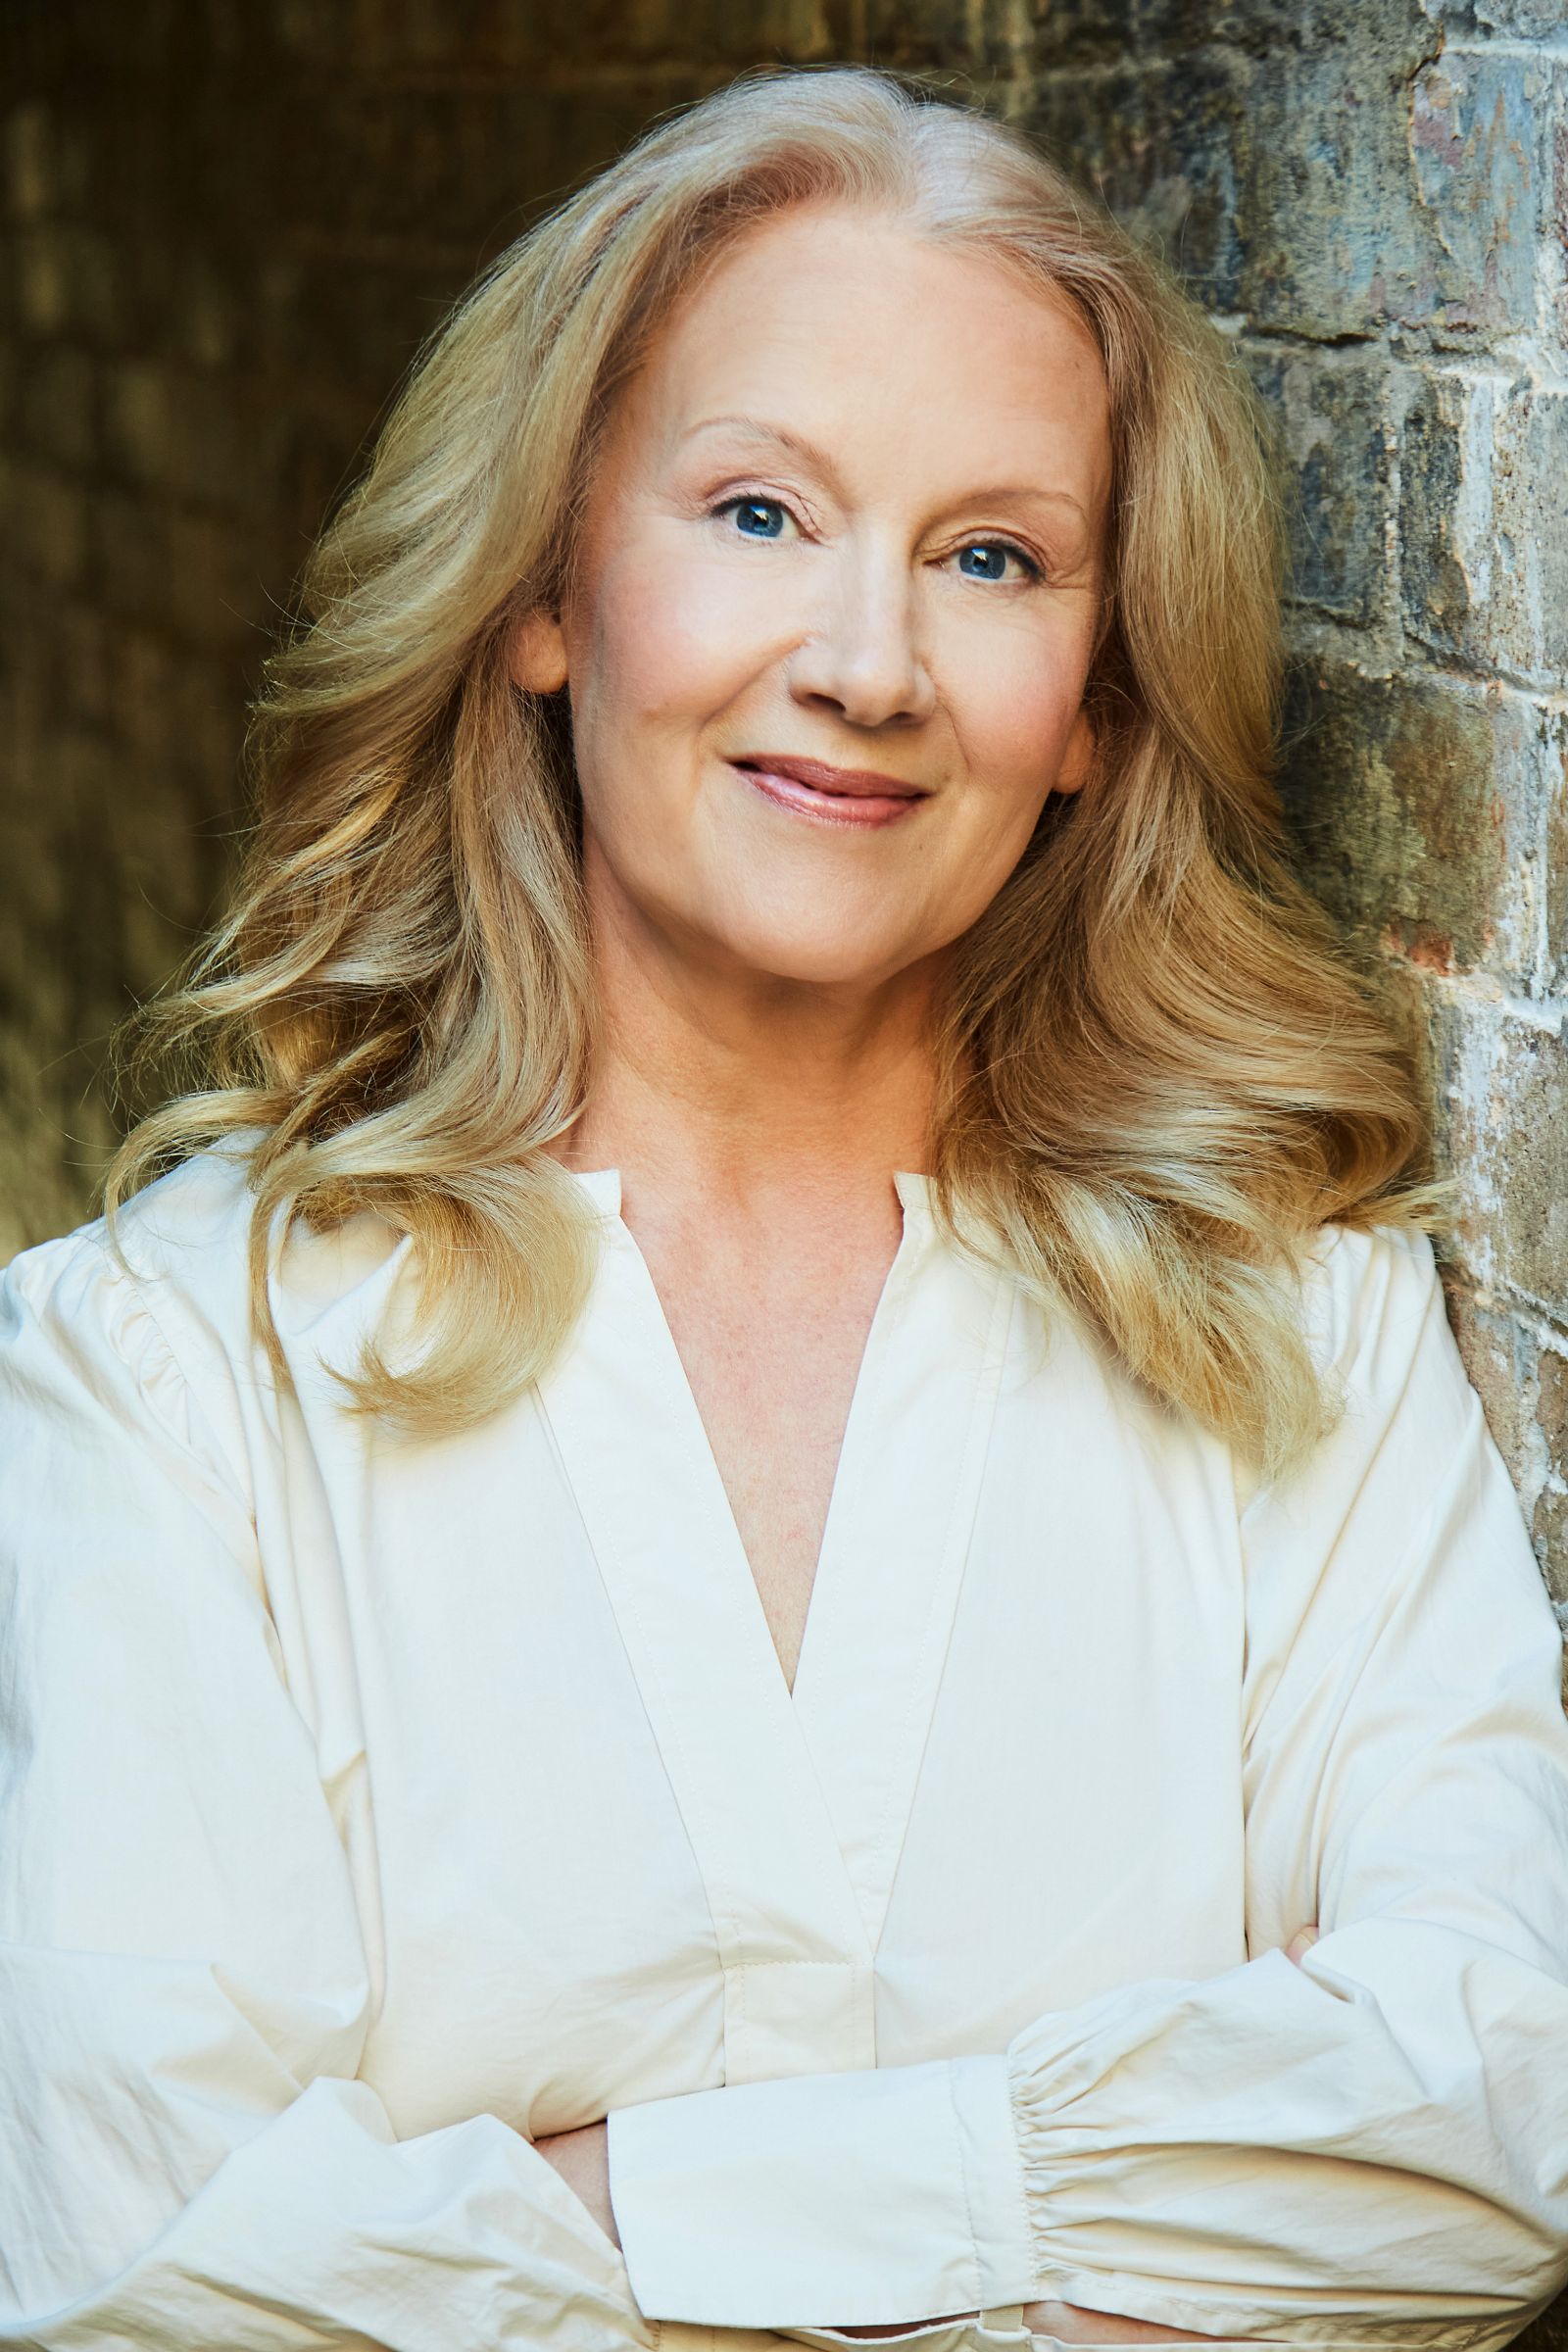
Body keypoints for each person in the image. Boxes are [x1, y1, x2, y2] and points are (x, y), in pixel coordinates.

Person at [2, 59, 1566, 2352]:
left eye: (990, 558)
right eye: (755, 513)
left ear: (1095, 711)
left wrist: (620, 2205)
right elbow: (150, 2285)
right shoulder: (160, 1378)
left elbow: (1496, 2114)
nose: (861, 661)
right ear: (548, 595)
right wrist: (1088, 2220)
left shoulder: (1296, 1345)